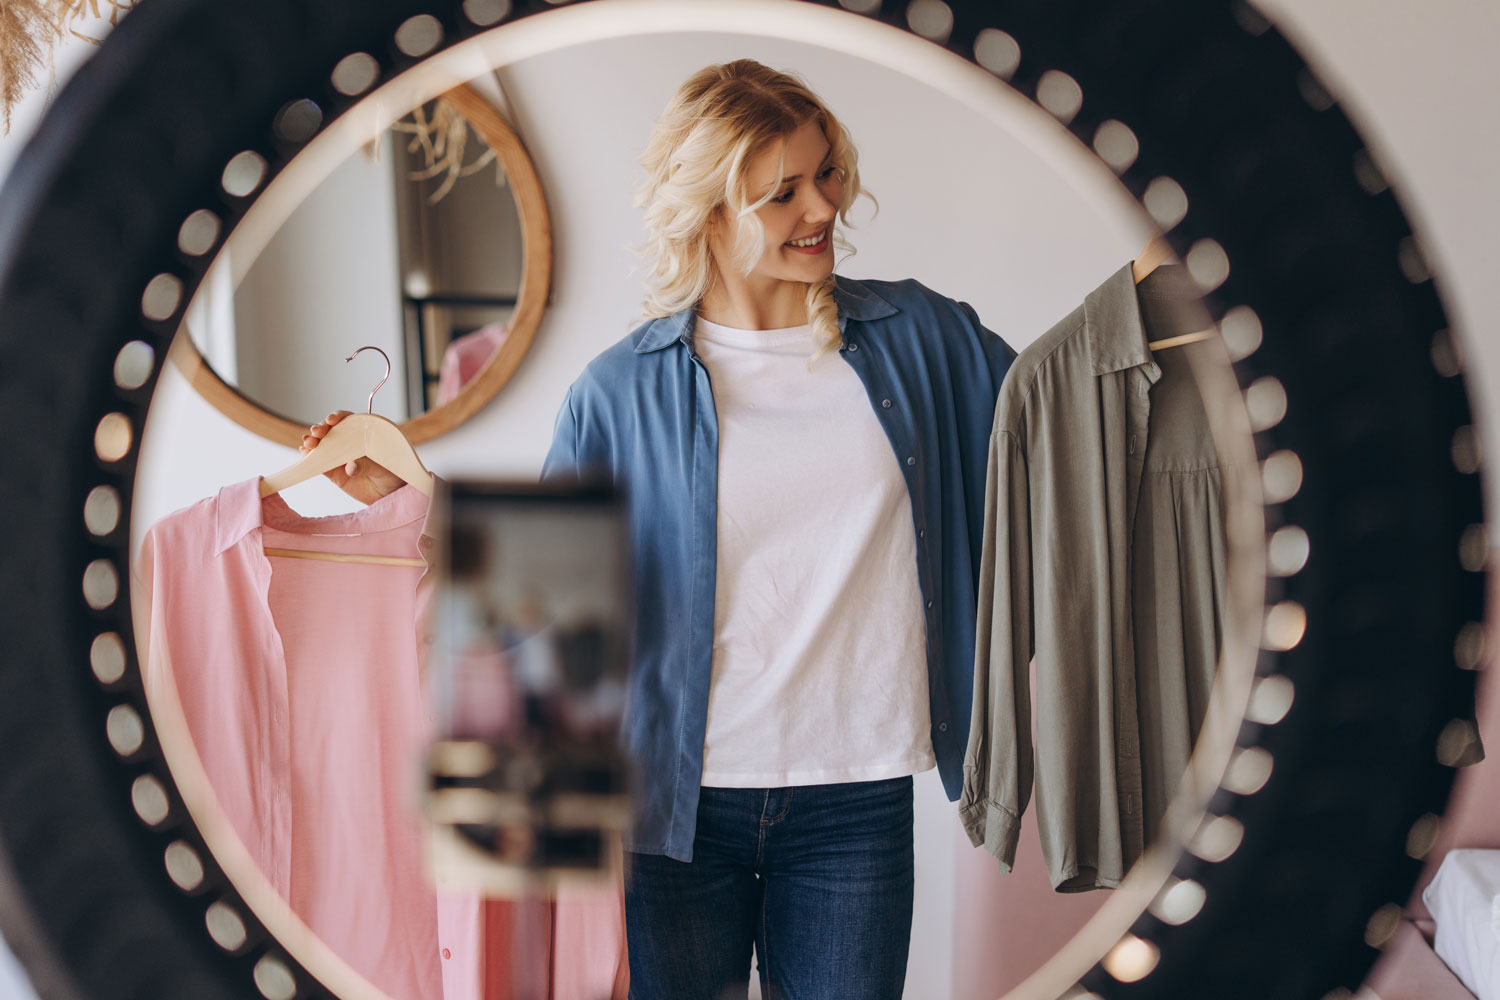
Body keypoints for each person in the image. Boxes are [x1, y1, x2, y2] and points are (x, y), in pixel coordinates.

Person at [307, 58, 1014, 999]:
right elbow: (546, 600)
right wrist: (416, 501)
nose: (824, 209)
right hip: (671, 814)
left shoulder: (926, 338)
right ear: (711, 212)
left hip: (857, 793)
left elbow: (1060, 426)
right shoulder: (618, 388)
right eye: (783, 193)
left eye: (827, 174)